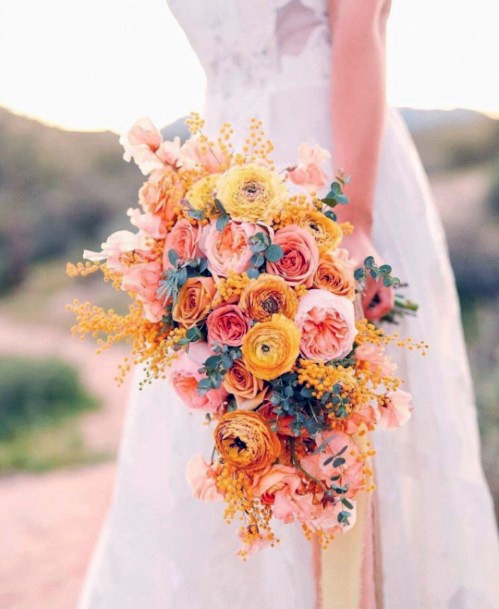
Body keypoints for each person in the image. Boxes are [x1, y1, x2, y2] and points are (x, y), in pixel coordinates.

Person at [78, 1, 499, 608]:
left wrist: (353, 221)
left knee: (344, 442)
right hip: (221, 181)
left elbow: (363, 27)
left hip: (328, 170)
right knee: (222, 420)